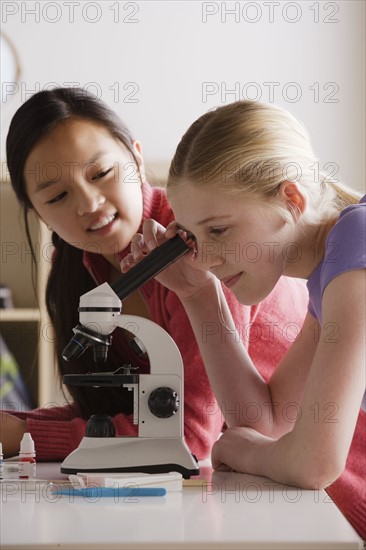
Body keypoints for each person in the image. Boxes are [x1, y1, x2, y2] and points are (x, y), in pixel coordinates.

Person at [1, 88, 308, 466]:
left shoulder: (194, 245)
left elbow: (191, 438)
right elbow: (123, 413)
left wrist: (26, 436)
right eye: (58, 197)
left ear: (136, 157)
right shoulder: (83, 268)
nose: (89, 204)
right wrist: (16, 424)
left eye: (101, 173)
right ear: (39, 214)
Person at [121, 100, 365, 538]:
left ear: (291, 198)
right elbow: (269, 421)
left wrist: (244, 450)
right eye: (194, 237)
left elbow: (314, 463)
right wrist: (198, 294)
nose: (208, 257)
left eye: (219, 230)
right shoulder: (332, 271)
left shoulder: (357, 247)